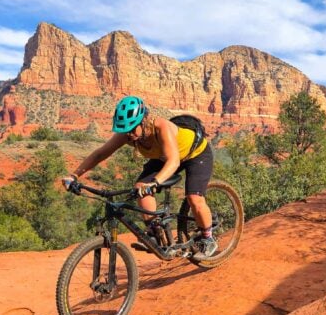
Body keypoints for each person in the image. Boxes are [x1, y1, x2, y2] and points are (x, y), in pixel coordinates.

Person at [62, 95, 218, 259]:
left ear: (143, 121)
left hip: (195, 154)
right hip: (164, 157)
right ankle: (154, 234)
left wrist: (155, 182)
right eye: (124, 130)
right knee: (140, 188)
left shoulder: (161, 127)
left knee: (194, 198)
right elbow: (100, 154)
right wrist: (74, 175)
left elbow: (173, 162)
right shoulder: (128, 134)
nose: (128, 134)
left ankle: (208, 238)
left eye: (131, 129)